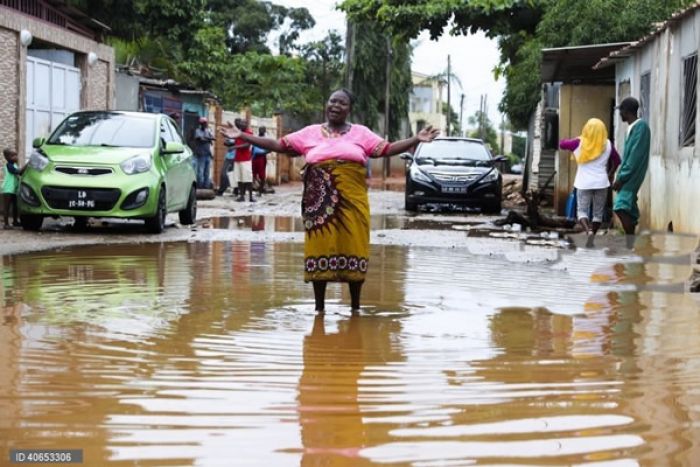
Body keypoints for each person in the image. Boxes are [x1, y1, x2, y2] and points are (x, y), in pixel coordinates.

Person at [220, 88, 439, 314]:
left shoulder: (361, 133)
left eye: (342, 103)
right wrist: (243, 136)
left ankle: (355, 307)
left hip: (353, 201)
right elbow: (278, 145)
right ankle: (319, 309)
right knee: (319, 246)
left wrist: (415, 139)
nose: (335, 106)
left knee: (355, 245)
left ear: (349, 109)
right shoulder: (310, 133)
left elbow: (386, 149)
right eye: (332, 101)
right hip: (318, 202)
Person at [559, 118, 621, 245]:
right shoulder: (608, 144)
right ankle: (594, 232)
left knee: (582, 210)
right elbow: (617, 160)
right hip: (601, 183)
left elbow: (562, 144)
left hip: (583, 183)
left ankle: (587, 231)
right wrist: (610, 174)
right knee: (598, 212)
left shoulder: (578, 143)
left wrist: (568, 139)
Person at [612, 97, 651, 246]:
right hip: (629, 173)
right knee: (628, 207)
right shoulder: (634, 127)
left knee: (620, 206)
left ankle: (630, 242)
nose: (620, 114)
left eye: (621, 110)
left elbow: (634, 156)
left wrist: (621, 177)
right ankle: (631, 240)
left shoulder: (640, 128)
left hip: (632, 174)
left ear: (626, 111)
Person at [227, 119, 255, 202]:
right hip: (238, 158)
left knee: (248, 178)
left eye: (244, 123)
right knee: (239, 178)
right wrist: (230, 144)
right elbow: (236, 143)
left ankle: (250, 196)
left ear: (246, 125)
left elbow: (247, 145)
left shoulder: (249, 133)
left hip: (246, 159)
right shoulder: (238, 133)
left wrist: (234, 147)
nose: (242, 124)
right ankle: (241, 196)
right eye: (241, 123)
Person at [2, 148, 22, 228]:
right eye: (13, 155)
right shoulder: (9, 165)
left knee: (15, 207)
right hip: (8, 189)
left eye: (16, 155)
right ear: (7, 157)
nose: (16, 157)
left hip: (13, 189)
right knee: (6, 207)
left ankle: (15, 221)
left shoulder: (15, 165)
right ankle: (6, 224)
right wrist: (27, 165)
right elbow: (17, 172)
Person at [193, 117, 215, 188]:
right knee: (200, 172)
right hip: (200, 154)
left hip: (207, 154)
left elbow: (213, 138)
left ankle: (206, 186)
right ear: (201, 124)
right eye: (204, 123)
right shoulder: (197, 131)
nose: (205, 124)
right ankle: (200, 186)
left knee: (207, 172)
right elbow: (200, 139)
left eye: (206, 123)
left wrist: (208, 139)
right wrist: (209, 139)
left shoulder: (208, 131)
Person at [251, 126, 273, 196]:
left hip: (261, 158)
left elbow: (270, 149)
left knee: (262, 175)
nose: (261, 131)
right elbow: (252, 148)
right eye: (260, 129)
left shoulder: (266, 140)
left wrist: (263, 152)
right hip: (254, 158)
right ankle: (252, 190)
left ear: (265, 131)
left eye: (263, 130)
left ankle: (260, 191)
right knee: (252, 175)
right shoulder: (256, 138)